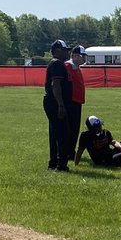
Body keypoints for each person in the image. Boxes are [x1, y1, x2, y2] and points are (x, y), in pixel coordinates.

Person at [43, 39, 73, 171]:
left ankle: (53, 162)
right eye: (66, 50)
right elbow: (55, 85)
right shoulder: (58, 64)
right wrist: (61, 105)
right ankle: (61, 165)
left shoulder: (55, 63)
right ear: (58, 51)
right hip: (55, 102)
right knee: (62, 133)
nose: (68, 53)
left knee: (55, 133)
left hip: (52, 101)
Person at [65, 45, 88, 161]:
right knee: (71, 128)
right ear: (74, 56)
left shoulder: (76, 67)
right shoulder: (68, 66)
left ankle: (70, 151)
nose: (83, 59)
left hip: (77, 101)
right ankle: (68, 152)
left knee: (75, 128)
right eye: (81, 56)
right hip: (71, 102)